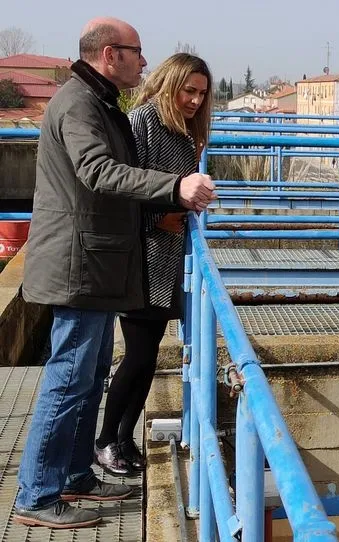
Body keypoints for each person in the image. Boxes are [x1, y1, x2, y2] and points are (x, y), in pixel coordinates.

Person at [15, 17, 215, 529]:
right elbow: (97, 172)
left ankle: (77, 473)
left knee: (88, 377)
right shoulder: (81, 104)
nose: (144, 62)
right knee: (68, 379)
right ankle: (37, 495)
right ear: (110, 54)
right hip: (78, 266)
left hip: (96, 266)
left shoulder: (100, 103)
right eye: (136, 52)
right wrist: (175, 190)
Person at [94, 53, 212, 476]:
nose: (196, 100)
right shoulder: (143, 121)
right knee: (138, 355)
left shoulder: (186, 133)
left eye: (201, 93)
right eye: (189, 90)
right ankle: (106, 440)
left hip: (168, 259)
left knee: (148, 357)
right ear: (170, 84)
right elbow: (123, 186)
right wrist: (157, 218)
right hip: (141, 256)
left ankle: (125, 437)